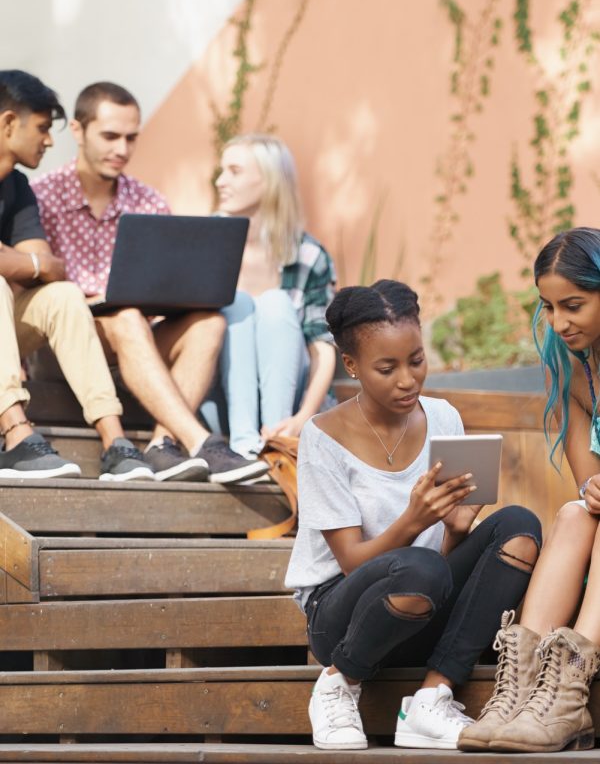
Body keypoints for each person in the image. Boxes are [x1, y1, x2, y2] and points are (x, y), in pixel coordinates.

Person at [284, 279, 541, 751]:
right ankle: (338, 684)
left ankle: (430, 699)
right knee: (418, 568)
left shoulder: (443, 418)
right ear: (352, 366)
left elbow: (441, 566)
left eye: (416, 360)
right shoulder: (323, 437)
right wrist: (414, 520)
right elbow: (352, 565)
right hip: (342, 617)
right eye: (387, 367)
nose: (407, 379)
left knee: (519, 525)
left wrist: (454, 531)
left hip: (422, 604)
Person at [32, 82, 267, 484]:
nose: (122, 149)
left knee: (208, 322)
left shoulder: (149, 202)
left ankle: (162, 445)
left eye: (131, 138)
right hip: (64, 347)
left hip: (136, 339)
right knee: (125, 316)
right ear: (77, 130)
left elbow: (166, 285)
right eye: (110, 136)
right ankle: (200, 441)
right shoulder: (40, 196)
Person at [459, 227, 600, 754]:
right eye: (548, 306)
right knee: (572, 514)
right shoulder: (570, 367)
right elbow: (588, 482)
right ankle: (518, 692)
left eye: (574, 305)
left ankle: (567, 695)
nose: (559, 322)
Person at [0, 70, 155, 482]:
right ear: (8, 123)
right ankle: (15, 433)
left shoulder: (17, 187)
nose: (49, 140)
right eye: (42, 128)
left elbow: (50, 267)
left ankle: (115, 442)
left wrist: (17, 261)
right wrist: (19, 264)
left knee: (65, 294)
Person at [213, 133, 336, 458]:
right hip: (218, 398)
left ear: (269, 181)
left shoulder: (308, 254)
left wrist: (302, 418)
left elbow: (322, 347)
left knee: (275, 303)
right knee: (238, 303)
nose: (220, 181)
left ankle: (276, 442)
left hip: (289, 404)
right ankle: (243, 444)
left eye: (234, 171)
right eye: (222, 170)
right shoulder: (205, 242)